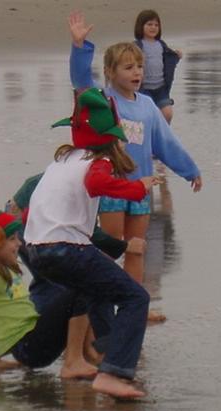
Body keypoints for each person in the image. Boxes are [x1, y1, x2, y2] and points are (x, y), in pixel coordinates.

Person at [24, 87, 161, 398]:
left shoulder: (61, 161)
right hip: (66, 247)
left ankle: (104, 353)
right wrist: (137, 188)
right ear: (111, 139)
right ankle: (113, 372)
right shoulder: (98, 162)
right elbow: (97, 183)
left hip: (36, 248)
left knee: (92, 292)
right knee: (135, 297)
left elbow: (36, 207)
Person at [68, 12, 203, 321]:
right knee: (109, 252)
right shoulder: (104, 100)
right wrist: (79, 47)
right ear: (110, 72)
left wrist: (190, 170)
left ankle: (134, 309)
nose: (137, 72)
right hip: (113, 188)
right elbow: (80, 83)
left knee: (137, 248)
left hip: (140, 190)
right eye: (128, 67)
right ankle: (98, 312)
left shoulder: (147, 106)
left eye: (140, 66)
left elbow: (165, 142)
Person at [0, 199, 98, 383]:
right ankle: (74, 360)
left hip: (31, 341)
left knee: (69, 284)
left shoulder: (5, 270)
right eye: (12, 239)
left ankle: (82, 353)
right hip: (31, 347)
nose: (19, 244)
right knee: (80, 285)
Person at [7, 173, 147, 366]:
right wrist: (123, 246)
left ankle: (69, 345)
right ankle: (76, 356)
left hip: (33, 228)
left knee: (54, 284)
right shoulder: (84, 180)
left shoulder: (85, 177)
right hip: (29, 228)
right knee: (78, 281)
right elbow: (87, 229)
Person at [133, 9, 183, 124]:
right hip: (143, 88)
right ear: (141, 26)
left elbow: (168, 59)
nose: (153, 27)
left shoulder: (161, 44)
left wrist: (176, 56)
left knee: (167, 113)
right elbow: (128, 60)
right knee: (147, 116)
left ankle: (163, 137)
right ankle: (148, 136)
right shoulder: (137, 46)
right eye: (149, 24)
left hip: (161, 88)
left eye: (156, 25)